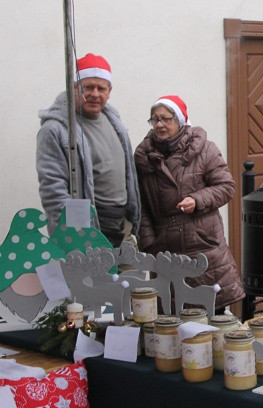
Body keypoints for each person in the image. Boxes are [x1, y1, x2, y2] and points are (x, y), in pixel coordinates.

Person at [134, 95, 245, 313]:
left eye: (166, 119)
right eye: (155, 119)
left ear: (180, 120)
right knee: (170, 316)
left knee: (211, 310)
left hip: (202, 241)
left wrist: (197, 199)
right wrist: (148, 242)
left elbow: (226, 187)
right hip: (165, 246)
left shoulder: (205, 149)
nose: (159, 125)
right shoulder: (143, 156)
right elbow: (140, 204)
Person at [36, 53, 141, 246]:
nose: (95, 93)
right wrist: (76, 234)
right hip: (86, 232)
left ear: (109, 91)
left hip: (121, 228)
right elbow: (52, 188)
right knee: (92, 278)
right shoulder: (55, 129)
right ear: (73, 88)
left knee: (131, 275)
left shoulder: (113, 120)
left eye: (101, 88)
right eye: (87, 87)